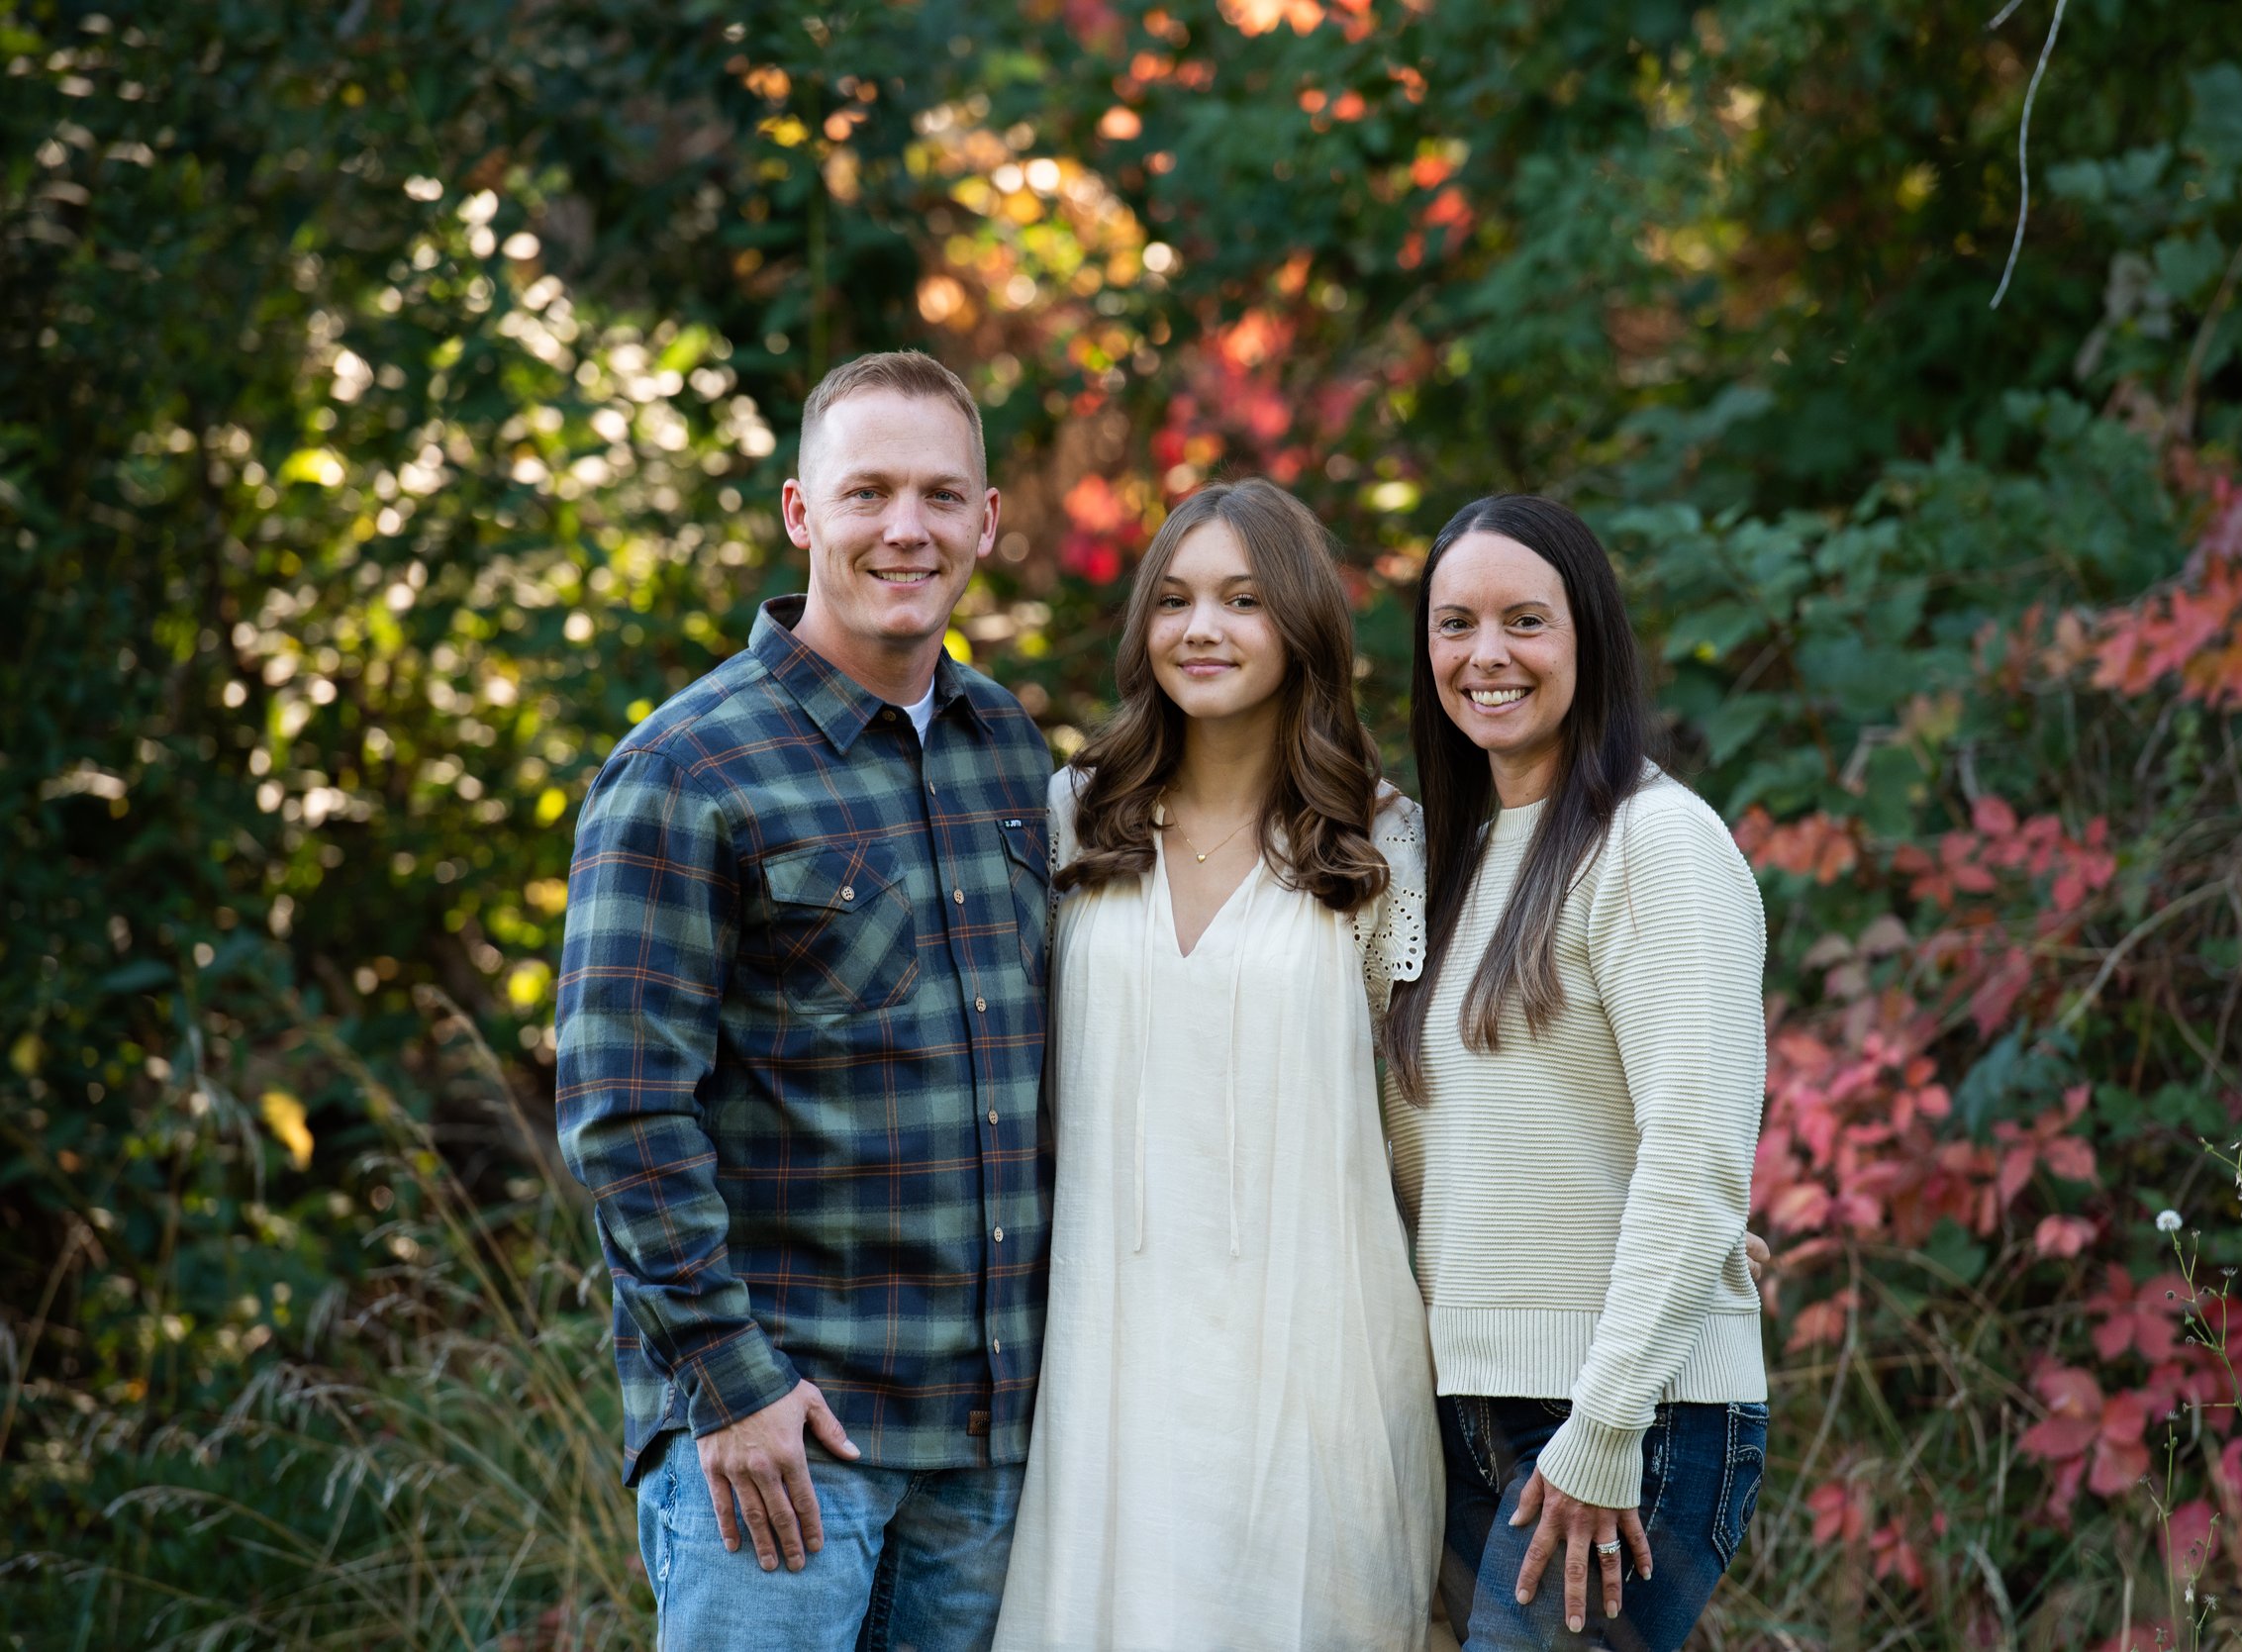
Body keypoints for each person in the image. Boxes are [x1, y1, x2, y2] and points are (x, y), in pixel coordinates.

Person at [555, 350, 1053, 1651]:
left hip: (986, 1447)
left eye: (943, 496)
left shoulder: (1010, 748)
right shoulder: (682, 768)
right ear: (798, 511)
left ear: (987, 521)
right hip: (785, 1445)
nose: (908, 528)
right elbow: (620, 1110)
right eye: (868, 491)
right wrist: (730, 1389)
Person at [993, 479, 1442, 1651]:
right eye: (1177, 599)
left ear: (1300, 627)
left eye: (1244, 600)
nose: (1204, 628)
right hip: (1109, 1356)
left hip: (1315, 1361)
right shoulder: (1074, 820)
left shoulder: (1377, 844)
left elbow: (1433, 1126)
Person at [1381, 495, 1770, 1652]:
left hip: (1627, 1416)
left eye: (1523, 621)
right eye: (1454, 624)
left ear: (1587, 639)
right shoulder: (1441, 863)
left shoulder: (1657, 842)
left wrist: (1605, 1419)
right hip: (1464, 1411)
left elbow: (1696, 1149)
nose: (1485, 655)